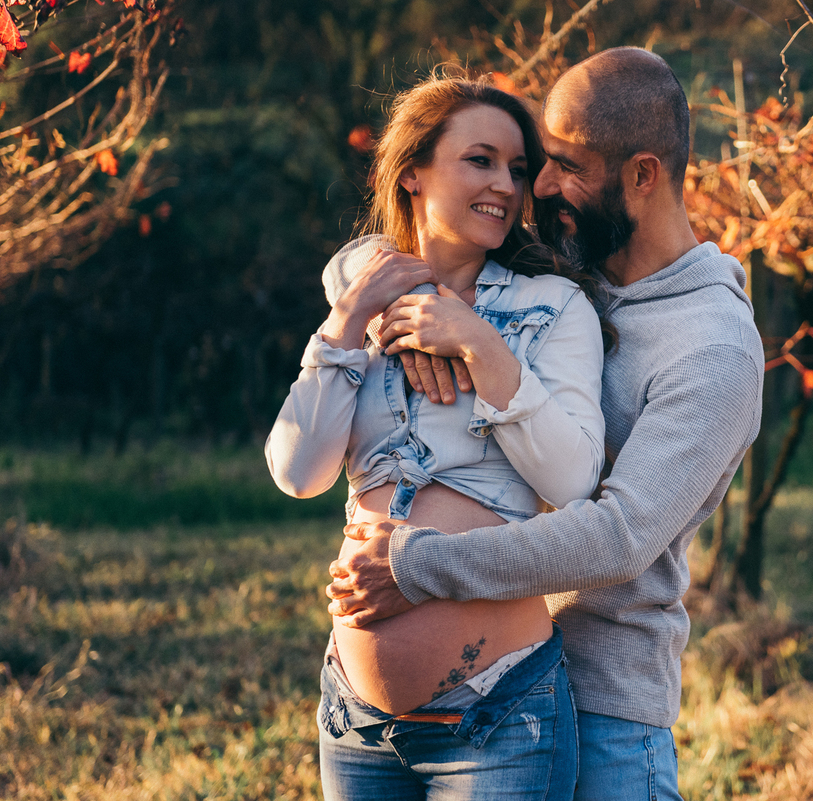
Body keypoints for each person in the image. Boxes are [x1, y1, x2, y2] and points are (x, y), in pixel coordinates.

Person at [326, 47, 765, 800]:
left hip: (605, 716)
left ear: (643, 175)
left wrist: (417, 566)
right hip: (440, 706)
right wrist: (398, 310)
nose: (540, 187)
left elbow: (618, 536)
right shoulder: (567, 271)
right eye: (539, 164)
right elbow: (393, 241)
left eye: (567, 166)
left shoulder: (713, 348)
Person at [265, 76, 607, 798]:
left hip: (499, 716)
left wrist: (481, 347)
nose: (505, 185)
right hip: (355, 721)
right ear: (412, 172)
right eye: (480, 160)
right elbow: (298, 470)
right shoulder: (361, 299)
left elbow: (574, 480)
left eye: (517, 169)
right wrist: (351, 315)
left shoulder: (553, 307)